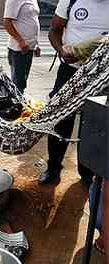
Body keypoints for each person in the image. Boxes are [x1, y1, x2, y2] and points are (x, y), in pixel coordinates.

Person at [39, 0, 109, 184]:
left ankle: (87, 173)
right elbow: (54, 30)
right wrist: (61, 50)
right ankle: (53, 168)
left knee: (92, 125)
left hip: (100, 76)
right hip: (69, 71)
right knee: (60, 120)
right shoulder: (71, 0)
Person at [3, 0, 41, 94]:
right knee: (18, 82)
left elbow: (32, 20)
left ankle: (19, 103)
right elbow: (7, 22)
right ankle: (15, 105)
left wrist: (36, 44)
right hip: (18, 49)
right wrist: (20, 41)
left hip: (29, 48)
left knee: (23, 80)